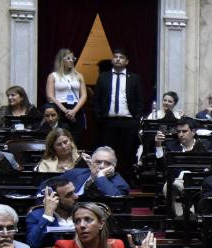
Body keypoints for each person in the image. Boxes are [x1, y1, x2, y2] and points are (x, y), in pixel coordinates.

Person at [93, 49, 144, 184]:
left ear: (126, 61)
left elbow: (140, 101)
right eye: (115, 57)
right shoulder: (104, 77)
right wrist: (99, 116)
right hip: (108, 122)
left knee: (128, 152)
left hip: (128, 121)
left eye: (121, 57)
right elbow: (96, 99)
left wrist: (136, 119)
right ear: (112, 60)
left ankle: (127, 179)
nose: (118, 59)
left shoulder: (134, 78)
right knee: (107, 152)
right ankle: (106, 177)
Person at [47, 201, 125, 248]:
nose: (82, 225)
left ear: (101, 223)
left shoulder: (116, 245)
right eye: (77, 221)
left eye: (88, 220)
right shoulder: (64, 247)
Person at [26, 177, 79, 248]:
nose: (76, 197)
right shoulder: (36, 216)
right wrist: (48, 214)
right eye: (69, 195)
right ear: (53, 198)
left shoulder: (84, 212)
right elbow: (33, 244)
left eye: (74, 191)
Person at [45, 48, 87, 136]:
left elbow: (84, 96)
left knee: (76, 136)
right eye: (68, 58)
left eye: (73, 58)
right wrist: (65, 111)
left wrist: (74, 111)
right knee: (61, 135)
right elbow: (50, 96)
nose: (71, 60)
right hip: (60, 109)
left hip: (76, 109)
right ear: (61, 60)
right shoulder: (53, 76)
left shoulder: (79, 76)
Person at [61, 147, 131, 197]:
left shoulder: (121, 185)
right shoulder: (74, 173)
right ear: (91, 162)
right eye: (98, 162)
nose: (102, 166)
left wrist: (100, 177)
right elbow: (52, 184)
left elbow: (113, 200)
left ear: (114, 166)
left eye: (108, 163)